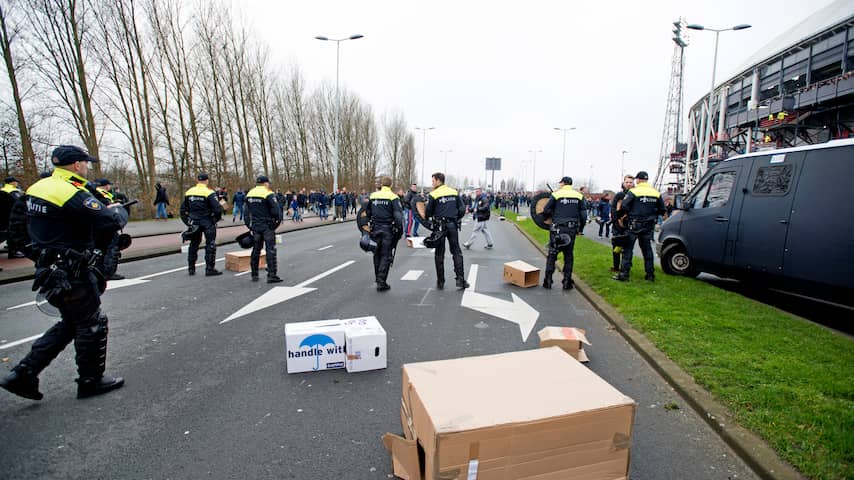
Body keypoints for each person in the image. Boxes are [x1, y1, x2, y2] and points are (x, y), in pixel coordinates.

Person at [0, 145, 128, 400]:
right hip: (73, 270)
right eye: (85, 163)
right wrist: (117, 210)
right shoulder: (71, 192)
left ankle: (23, 373)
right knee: (92, 322)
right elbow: (110, 221)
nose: (87, 167)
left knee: (72, 323)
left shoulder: (36, 189)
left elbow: (17, 230)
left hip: (49, 269)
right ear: (76, 165)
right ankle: (90, 380)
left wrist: (40, 256)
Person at [613, 171, 665, 282]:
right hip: (648, 226)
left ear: (638, 180)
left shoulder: (633, 192)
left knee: (628, 250)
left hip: (634, 224)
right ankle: (650, 275)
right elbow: (662, 209)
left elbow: (624, 207)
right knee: (647, 250)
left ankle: (624, 274)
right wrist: (653, 216)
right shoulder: (655, 192)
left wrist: (621, 218)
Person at [426, 172, 469, 290]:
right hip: (452, 225)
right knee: (456, 252)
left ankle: (440, 281)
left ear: (439, 180)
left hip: (439, 227)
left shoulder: (433, 194)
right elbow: (462, 209)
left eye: (433, 180)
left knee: (439, 253)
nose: (432, 183)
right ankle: (460, 279)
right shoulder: (454, 192)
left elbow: (428, 212)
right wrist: (456, 218)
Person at [542, 176, 585, 290]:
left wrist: (554, 213)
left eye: (560, 183)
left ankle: (548, 280)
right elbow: (583, 215)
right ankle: (567, 281)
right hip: (571, 229)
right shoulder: (579, 196)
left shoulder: (556, 194)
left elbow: (546, 210)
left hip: (556, 229)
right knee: (568, 255)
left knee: (552, 253)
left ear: (563, 183)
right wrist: (580, 229)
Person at [181, 172, 223, 276]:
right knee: (210, 244)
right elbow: (217, 209)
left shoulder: (189, 192)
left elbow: (182, 209)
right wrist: (214, 220)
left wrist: (188, 222)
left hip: (194, 222)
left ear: (197, 180)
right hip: (207, 221)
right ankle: (209, 268)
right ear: (206, 180)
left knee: (194, 244)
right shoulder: (209, 192)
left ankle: (191, 268)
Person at [365, 176, 404, 291]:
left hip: (375, 228)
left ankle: (378, 278)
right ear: (390, 185)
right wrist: (399, 230)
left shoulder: (373, 196)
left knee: (376, 253)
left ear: (381, 185)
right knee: (386, 255)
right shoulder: (393, 197)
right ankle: (381, 281)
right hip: (387, 229)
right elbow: (398, 216)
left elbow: (367, 212)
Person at [245, 175, 282, 283]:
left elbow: (246, 213)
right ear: (266, 183)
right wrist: (274, 225)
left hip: (255, 226)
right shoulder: (268, 193)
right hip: (267, 226)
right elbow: (276, 212)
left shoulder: (250, 194)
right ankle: (271, 274)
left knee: (256, 250)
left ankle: (254, 274)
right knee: (270, 250)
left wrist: (249, 226)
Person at [93, 179, 125, 281]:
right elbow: (107, 207)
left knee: (100, 249)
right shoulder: (101, 194)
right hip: (107, 225)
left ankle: (99, 270)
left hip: (98, 226)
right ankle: (108, 272)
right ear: (106, 186)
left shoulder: (92, 192)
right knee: (111, 248)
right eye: (108, 185)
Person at [610, 175, 634, 272]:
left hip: (629, 225)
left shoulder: (634, 194)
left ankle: (626, 266)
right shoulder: (619, 195)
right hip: (618, 225)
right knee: (616, 246)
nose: (628, 184)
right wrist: (616, 223)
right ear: (623, 183)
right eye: (627, 182)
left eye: (630, 182)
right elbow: (613, 209)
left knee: (628, 248)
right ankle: (616, 266)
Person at [1, 176, 25, 258]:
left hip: (3, 217)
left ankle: (10, 247)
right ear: (12, 182)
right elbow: (19, 202)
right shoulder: (13, 191)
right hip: (13, 216)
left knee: (8, 233)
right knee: (14, 232)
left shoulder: (2, 190)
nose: (17, 183)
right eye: (16, 181)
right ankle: (14, 251)